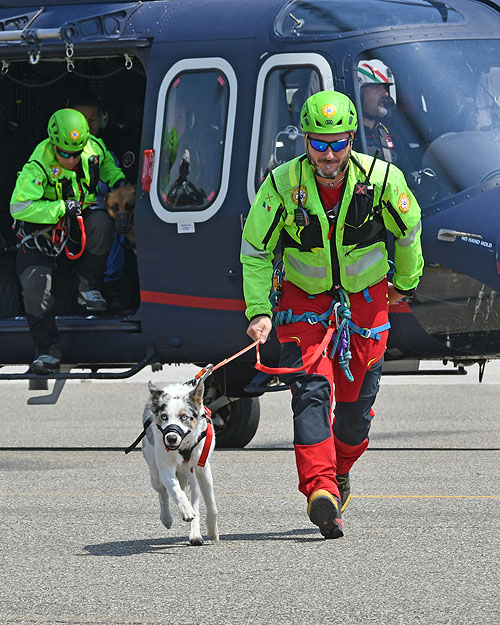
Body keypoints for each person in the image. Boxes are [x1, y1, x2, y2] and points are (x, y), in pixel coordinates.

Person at [240, 90, 423, 539]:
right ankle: (320, 489)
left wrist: (407, 283)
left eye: (337, 142)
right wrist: (261, 311)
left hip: (366, 302)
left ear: (350, 138)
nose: (328, 154)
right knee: (310, 392)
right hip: (306, 302)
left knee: (356, 412)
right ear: (305, 140)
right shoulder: (282, 185)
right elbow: (255, 251)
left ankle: (339, 471)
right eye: (318, 143)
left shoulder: (381, 180)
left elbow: (410, 228)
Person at [10, 108, 127, 374]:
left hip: (79, 220)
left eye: (77, 153)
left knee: (102, 224)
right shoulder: (37, 165)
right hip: (42, 234)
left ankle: (89, 287)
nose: (72, 159)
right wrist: (61, 208)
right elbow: (19, 207)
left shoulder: (92, 147)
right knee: (35, 288)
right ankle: (47, 352)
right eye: (65, 154)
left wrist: (118, 180)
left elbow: (106, 163)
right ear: (54, 145)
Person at [357, 59, 398, 164]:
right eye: (376, 87)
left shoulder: (391, 131)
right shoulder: (351, 135)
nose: (385, 94)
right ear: (359, 92)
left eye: (385, 88)